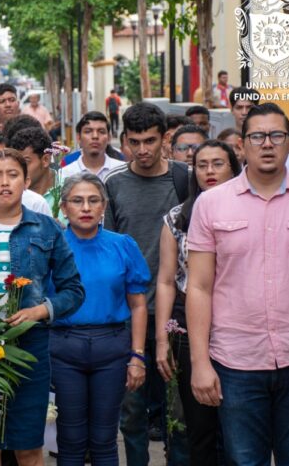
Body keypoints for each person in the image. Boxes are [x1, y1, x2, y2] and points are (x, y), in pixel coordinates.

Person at [187, 103, 289, 464]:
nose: (267, 144)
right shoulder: (211, 205)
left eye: (276, 136)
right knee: (245, 461)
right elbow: (198, 287)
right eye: (257, 136)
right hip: (236, 362)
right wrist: (200, 361)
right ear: (242, 145)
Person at [0, 149, 84, 466]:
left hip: (30, 347)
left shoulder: (47, 228)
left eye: (12, 175)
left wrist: (39, 311)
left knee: (28, 445)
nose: (4, 183)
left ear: (26, 181)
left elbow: (74, 290)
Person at [103, 102, 190, 466]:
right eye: (134, 141)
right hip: (129, 315)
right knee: (132, 411)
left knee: (179, 411)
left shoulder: (185, 178)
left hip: (178, 313)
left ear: (165, 139)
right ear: (124, 140)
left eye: (150, 141)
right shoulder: (115, 183)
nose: (142, 150)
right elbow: (107, 247)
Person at [53, 173, 149, 465]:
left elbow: (139, 305)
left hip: (112, 348)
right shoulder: (52, 245)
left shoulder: (122, 245)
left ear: (103, 205)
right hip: (64, 348)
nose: (85, 207)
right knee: (70, 438)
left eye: (93, 200)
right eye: (77, 201)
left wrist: (138, 356)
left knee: (104, 439)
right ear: (64, 206)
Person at [155, 140, 241, 465]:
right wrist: (163, 338)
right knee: (198, 424)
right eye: (201, 164)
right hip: (188, 318)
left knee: (238, 425)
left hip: (237, 320)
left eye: (218, 163)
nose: (209, 171)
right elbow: (166, 280)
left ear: (233, 166)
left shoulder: (249, 211)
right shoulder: (178, 218)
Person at [229, 87, 289, 183]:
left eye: (277, 135)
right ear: (241, 145)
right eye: (239, 107)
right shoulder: (225, 150)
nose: (244, 112)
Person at [61, 111, 126, 183]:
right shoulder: (65, 174)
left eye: (101, 131)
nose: (95, 136)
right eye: (88, 131)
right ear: (79, 138)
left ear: (109, 138)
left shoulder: (122, 171)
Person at [9, 126, 56, 205]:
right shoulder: (9, 193)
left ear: (46, 160)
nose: (19, 169)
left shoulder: (70, 189)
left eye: (26, 162)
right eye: (15, 163)